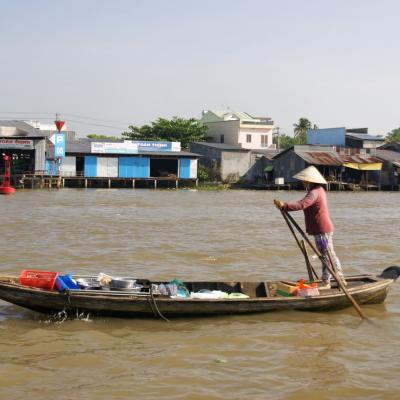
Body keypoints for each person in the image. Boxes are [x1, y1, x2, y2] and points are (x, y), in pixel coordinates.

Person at [274, 166, 345, 289]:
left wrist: (285, 205)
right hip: (321, 229)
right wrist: (285, 206)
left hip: (322, 230)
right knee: (327, 255)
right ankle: (336, 279)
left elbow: (302, 204)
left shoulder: (314, 192)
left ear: (309, 181)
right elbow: (302, 203)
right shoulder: (318, 190)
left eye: (304, 180)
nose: (303, 182)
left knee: (327, 255)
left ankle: (331, 281)